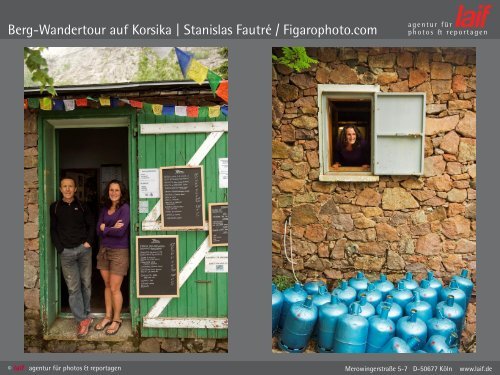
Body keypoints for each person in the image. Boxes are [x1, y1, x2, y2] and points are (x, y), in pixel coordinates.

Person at [50, 177, 95, 337]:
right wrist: (60, 248)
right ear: (60, 189)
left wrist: (88, 242)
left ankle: (86, 314)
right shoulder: (55, 207)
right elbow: (53, 229)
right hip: (66, 253)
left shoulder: (83, 206)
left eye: (70, 186)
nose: (68, 189)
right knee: (73, 288)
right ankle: (82, 319)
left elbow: (92, 224)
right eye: (64, 186)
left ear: (75, 189)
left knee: (86, 283)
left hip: (84, 250)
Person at [94, 180, 130, 335]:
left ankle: (117, 319)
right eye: (111, 190)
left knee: (115, 287)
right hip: (104, 250)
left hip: (119, 252)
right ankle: (107, 316)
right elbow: (97, 230)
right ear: (107, 192)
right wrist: (111, 228)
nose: (114, 193)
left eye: (117, 190)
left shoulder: (125, 208)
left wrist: (105, 228)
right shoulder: (104, 208)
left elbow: (120, 232)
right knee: (107, 286)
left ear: (121, 192)